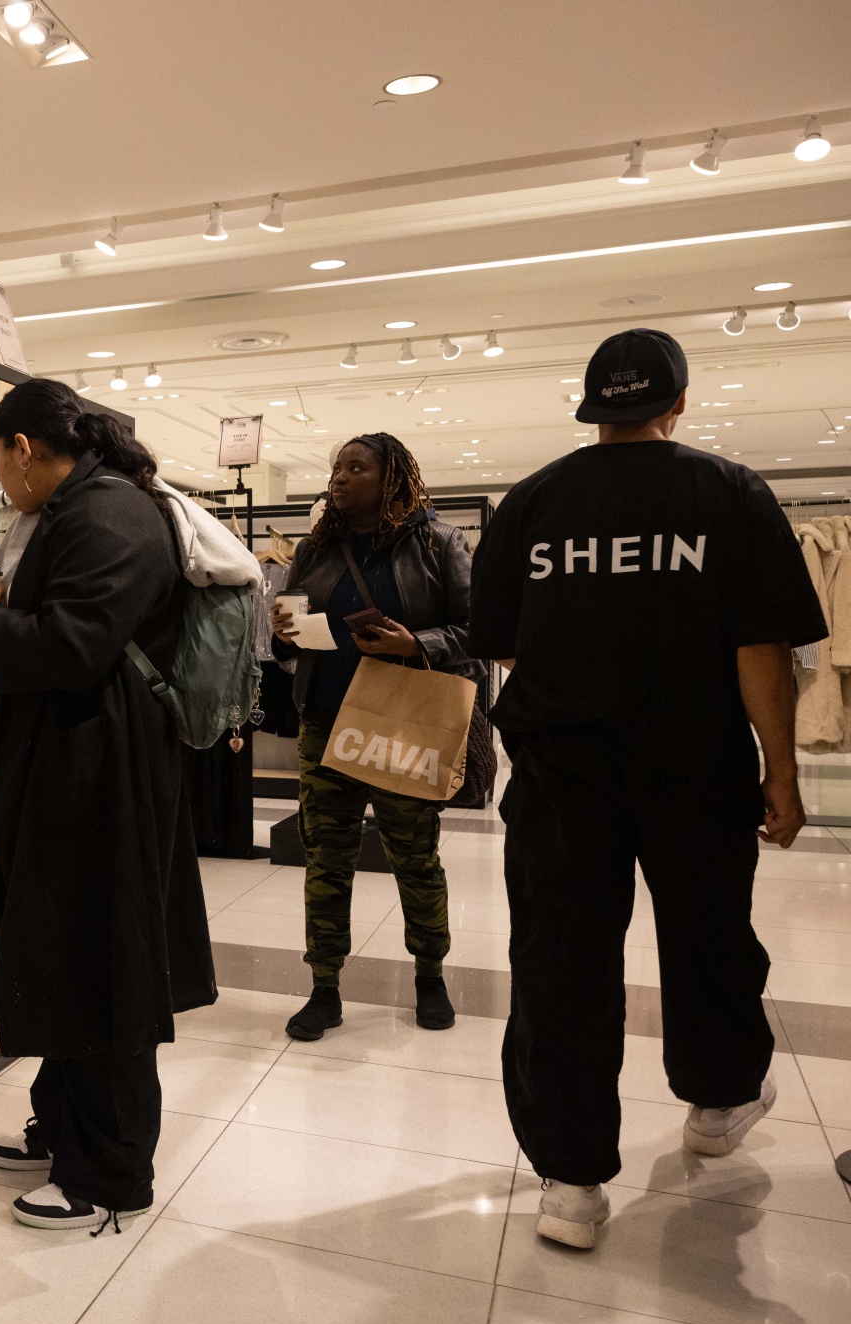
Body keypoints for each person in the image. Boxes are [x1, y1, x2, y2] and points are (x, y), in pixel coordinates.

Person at [471, 328, 826, 1250]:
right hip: (692, 761)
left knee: (561, 959)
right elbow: (762, 647)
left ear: (593, 408)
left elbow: (503, 643)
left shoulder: (532, 503)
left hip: (560, 769)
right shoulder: (729, 492)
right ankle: (717, 1103)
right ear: (677, 403)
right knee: (708, 936)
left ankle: (572, 1181)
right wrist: (780, 771)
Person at [0, 378, 211, 1233]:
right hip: (73, 763)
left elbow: (72, 647)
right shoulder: (87, 511)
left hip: (100, 773)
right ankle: (64, 1125)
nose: (1, 481)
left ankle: (110, 1174)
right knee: (57, 946)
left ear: (23, 449)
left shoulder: (107, 515)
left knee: (98, 956)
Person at [269, 433, 475, 1041]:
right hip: (326, 722)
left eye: (356, 467)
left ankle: (429, 976)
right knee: (325, 862)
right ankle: (324, 987)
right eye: (336, 467)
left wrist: (418, 644)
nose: (339, 476)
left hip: (404, 723)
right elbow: (293, 619)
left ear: (391, 477)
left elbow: (481, 628)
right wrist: (284, 628)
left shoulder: (439, 542)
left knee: (415, 857)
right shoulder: (315, 548)